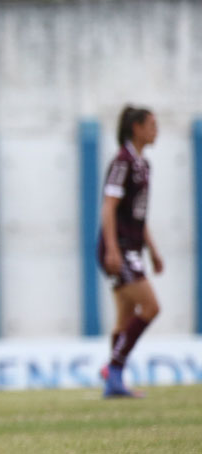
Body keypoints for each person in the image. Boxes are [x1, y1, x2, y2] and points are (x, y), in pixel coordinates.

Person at [97, 105, 162, 398]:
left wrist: (153, 250)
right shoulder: (122, 162)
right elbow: (108, 207)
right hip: (120, 249)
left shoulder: (143, 165)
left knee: (124, 317)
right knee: (151, 307)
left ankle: (114, 383)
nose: (155, 130)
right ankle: (113, 367)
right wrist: (112, 249)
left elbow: (138, 216)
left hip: (133, 247)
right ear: (136, 128)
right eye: (151, 124)